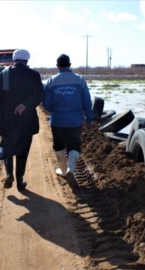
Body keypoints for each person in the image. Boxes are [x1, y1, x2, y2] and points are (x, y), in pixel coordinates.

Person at [0, 49, 44, 191]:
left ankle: (9, 174)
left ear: (14, 59)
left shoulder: (5, 73)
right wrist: (25, 105)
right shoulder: (34, 75)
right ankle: (20, 182)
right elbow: (40, 94)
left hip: (7, 119)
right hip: (26, 120)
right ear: (27, 60)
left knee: (7, 146)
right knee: (23, 150)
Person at [43, 54, 94, 188]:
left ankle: (64, 171)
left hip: (57, 121)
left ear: (57, 66)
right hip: (76, 122)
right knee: (74, 145)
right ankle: (71, 169)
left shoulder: (51, 81)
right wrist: (89, 119)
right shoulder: (80, 80)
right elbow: (87, 101)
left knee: (59, 146)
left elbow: (46, 103)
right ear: (70, 65)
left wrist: (54, 110)